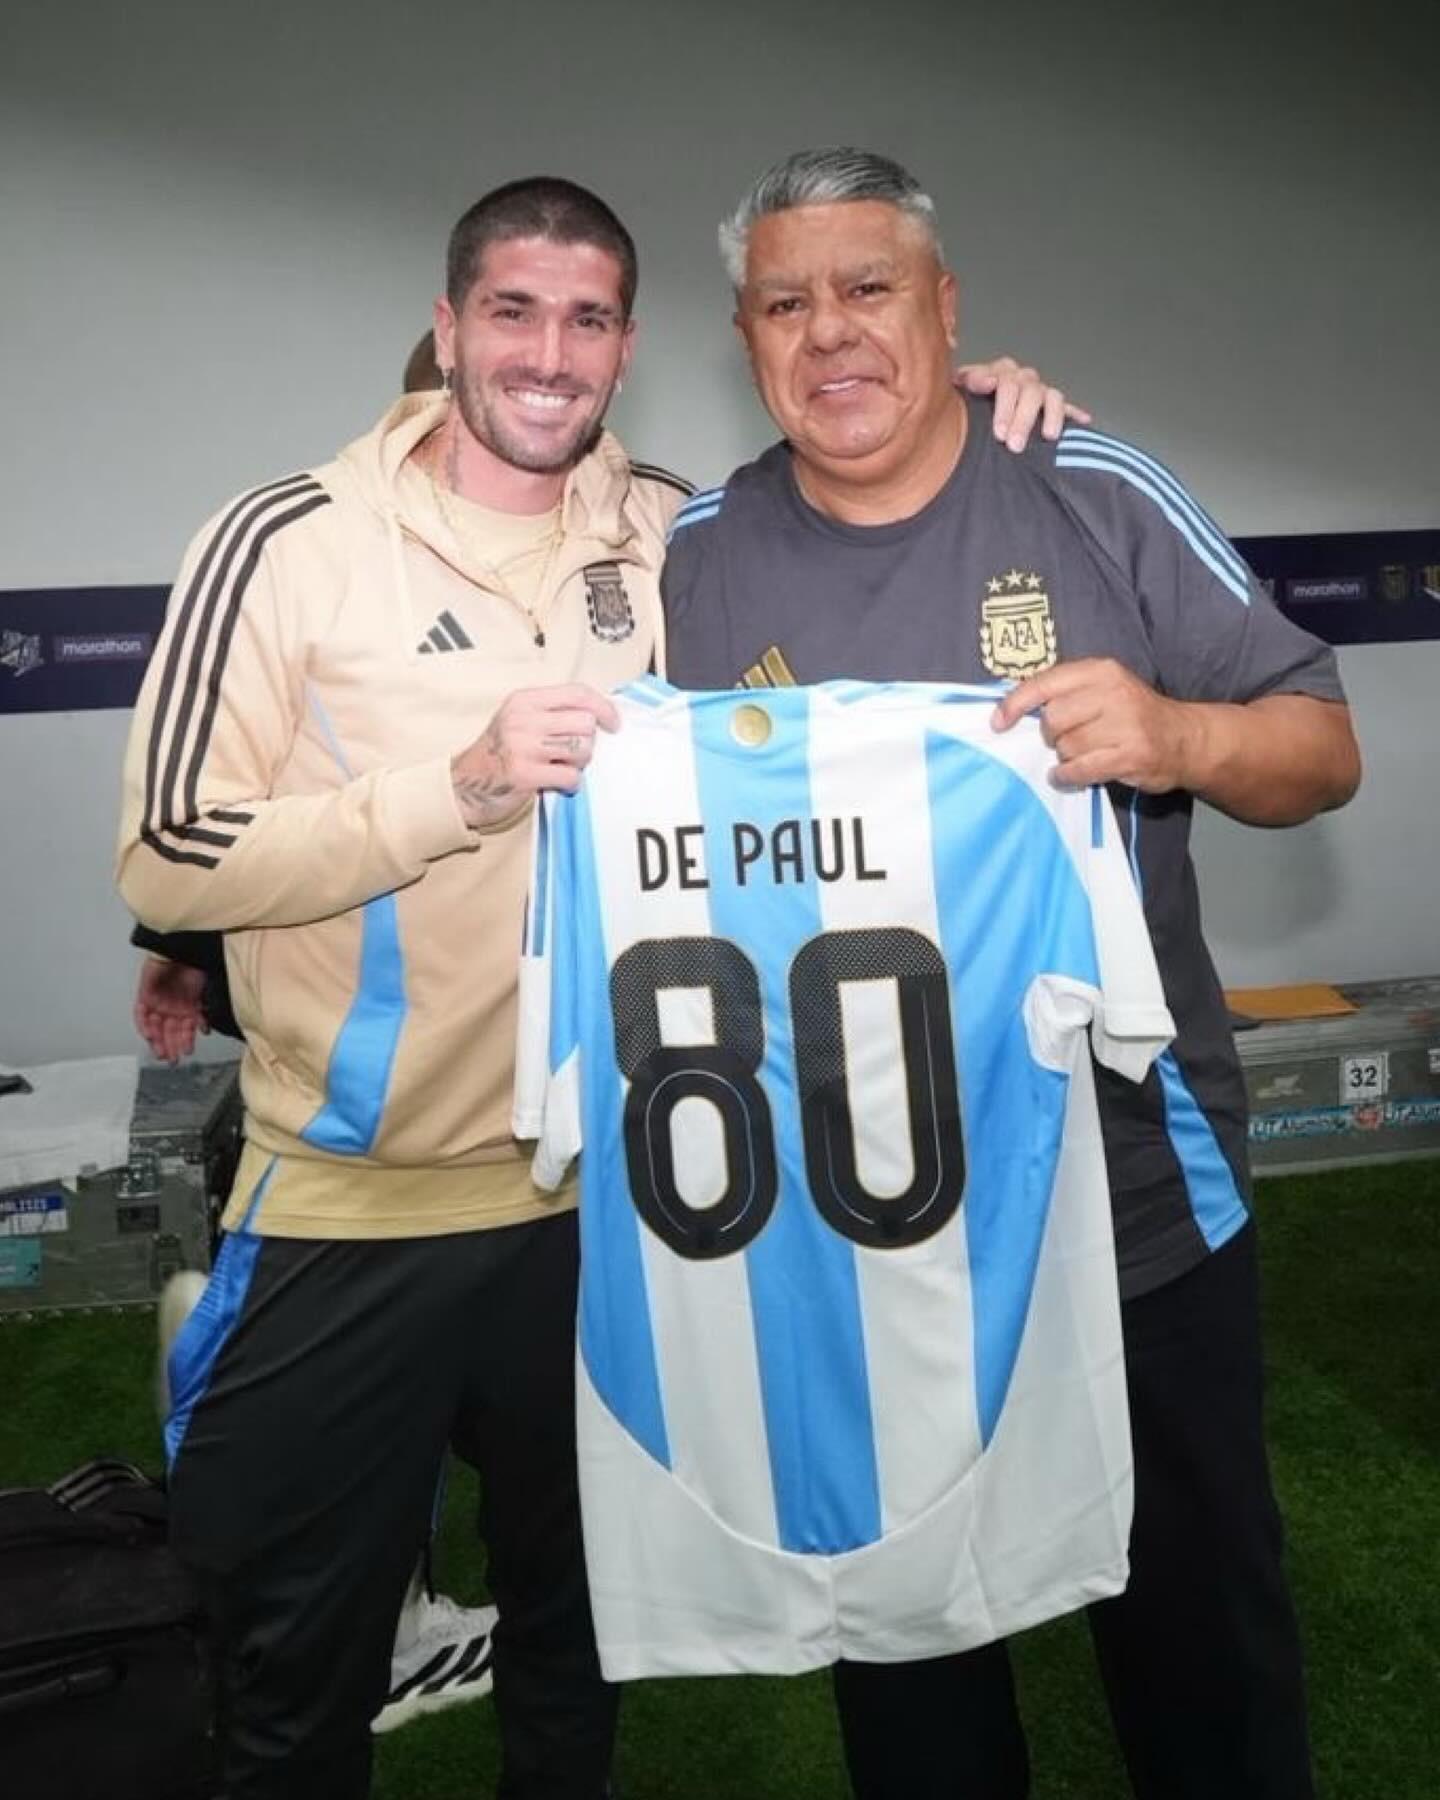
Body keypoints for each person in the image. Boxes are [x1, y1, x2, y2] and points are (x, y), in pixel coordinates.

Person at [115, 169, 1074, 1797]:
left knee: (578, 1647)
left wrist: (974, 415)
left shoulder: (678, 529)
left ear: (629, 345)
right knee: (293, 1678)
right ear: (448, 328)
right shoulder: (285, 540)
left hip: (619, 1214)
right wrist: (463, 787)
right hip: (359, 1201)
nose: (549, 354)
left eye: (588, 319)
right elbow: (165, 857)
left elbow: (860, 590)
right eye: (513, 312)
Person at [662, 148, 1361, 1800]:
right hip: (861, 1233)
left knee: (1200, 1655)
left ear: (947, 307)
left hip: (1131, 1205)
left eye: (869, 288)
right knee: (913, 1680)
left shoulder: (1089, 484)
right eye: (785, 303)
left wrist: (1180, 735)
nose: (830, 331)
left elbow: (1320, 744)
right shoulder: (696, 553)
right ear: (746, 339)